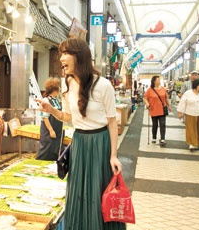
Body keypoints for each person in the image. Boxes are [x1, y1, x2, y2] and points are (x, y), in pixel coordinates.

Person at [36, 38, 125, 230]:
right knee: (78, 192)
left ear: (79, 56)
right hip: (79, 143)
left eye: (66, 53)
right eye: (61, 54)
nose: (61, 58)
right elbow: (68, 117)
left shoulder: (103, 85)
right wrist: (51, 110)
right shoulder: (69, 83)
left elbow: (111, 122)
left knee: (96, 192)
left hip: (99, 143)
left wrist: (113, 155)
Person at [177, 79, 199, 151]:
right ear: (195, 85)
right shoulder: (188, 93)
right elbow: (182, 103)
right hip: (190, 113)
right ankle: (191, 144)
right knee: (191, 129)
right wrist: (180, 113)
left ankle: (197, 142)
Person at [36, 77, 63, 160]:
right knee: (46, 150)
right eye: (59, 87)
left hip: (57, 130)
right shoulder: (45, 100)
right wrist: (51, 130)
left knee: (55, 151)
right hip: (48, 131)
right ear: (55, 89)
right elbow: (45, 117)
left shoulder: (56, 100)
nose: (60, 89)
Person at [143, 75, 171, 146]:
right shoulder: (150, 90)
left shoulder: (163, 89)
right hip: (153, 109)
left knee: (162, 124)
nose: (160, 81)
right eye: (158, 80)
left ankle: (162, 139)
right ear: (154, 81)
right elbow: (145, 98)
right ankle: (154, 137)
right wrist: (147, 104)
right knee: (155, 124)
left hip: (162, 109)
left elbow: (166, 98)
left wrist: (169, 106)